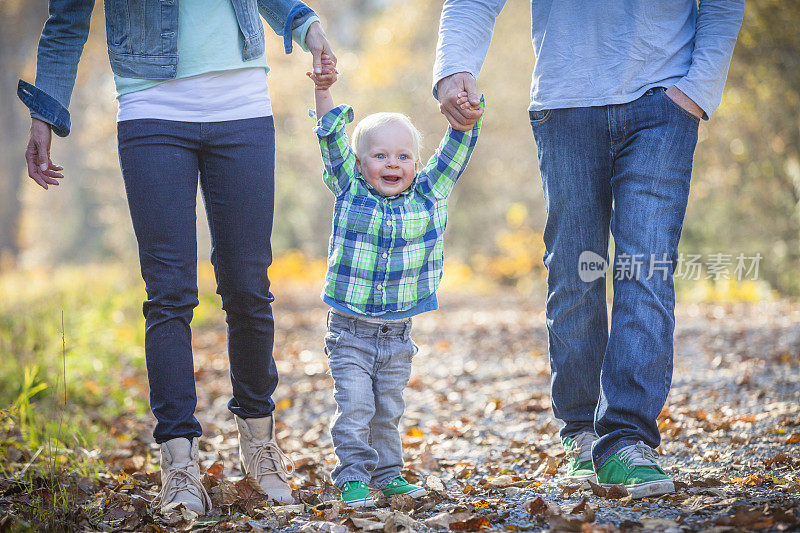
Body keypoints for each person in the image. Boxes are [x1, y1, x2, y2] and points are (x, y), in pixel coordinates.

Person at [18, 0, 336, 515]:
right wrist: (44, 112)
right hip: (151, 107)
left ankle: (258, 445)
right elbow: (67, 20)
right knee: (168, 294)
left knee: (248, 287)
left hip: (242, 105)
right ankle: (180, 462)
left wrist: (308, 26)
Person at [433, 1, 744, 498]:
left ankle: (625, 438)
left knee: (645, 267)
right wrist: (453, 69)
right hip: (565, 102)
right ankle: (580, 432)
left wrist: (697, 90)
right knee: (574, 270)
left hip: (664, 101)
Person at [307, 56, 482, 507]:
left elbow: (456, 149)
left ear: (417, 163)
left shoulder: (429, 192)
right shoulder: (350, 188)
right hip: (349, 332)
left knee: (387, 411)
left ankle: (388, 474)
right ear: (361, 162)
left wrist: (466, 108)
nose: (392, 164)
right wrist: (323, 91)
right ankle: (352, 476)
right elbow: (331, 141)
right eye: (380, 155)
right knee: (356, 408)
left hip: (399, 334)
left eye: (403, 156)